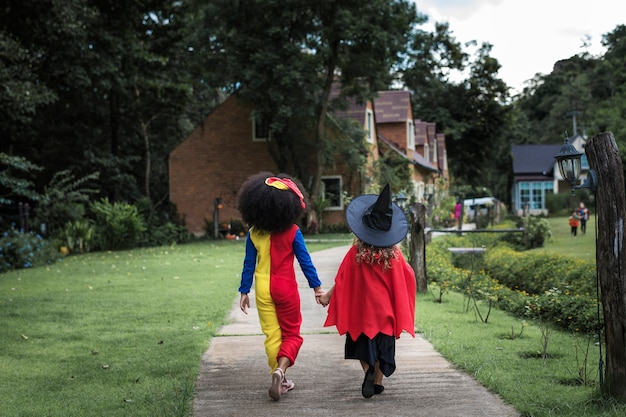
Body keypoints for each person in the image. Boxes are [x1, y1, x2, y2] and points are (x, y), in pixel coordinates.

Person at [318, 184, 416, 398]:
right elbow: (408, 281)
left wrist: (327, 296)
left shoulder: (356, 253)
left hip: (362, 316)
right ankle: (377, 381)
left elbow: (342, 280)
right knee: (383, 350)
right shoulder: (396, 258)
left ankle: (368, 371)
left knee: (363, 348)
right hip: (386, 316)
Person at [237, 172, 324, 401]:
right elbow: (305, 261)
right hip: (285, 288)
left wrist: (244, 291)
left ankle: (278, 377)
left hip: (262, 290)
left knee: (272, 335)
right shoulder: (293, 232)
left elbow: (248, 264)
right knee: (292, 334)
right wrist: (316, 287)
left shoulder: (253, 233)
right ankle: (281, 371)